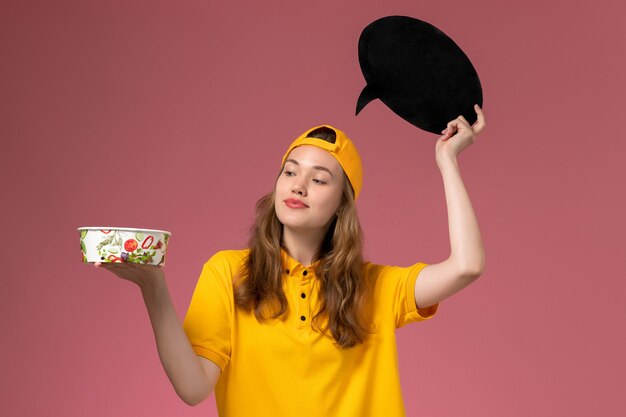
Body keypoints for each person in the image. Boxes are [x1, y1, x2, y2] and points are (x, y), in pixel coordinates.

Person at [94, 105, 486, 417]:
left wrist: (448, 160)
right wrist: (153, 287)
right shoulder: (228, 272)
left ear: (341, 205)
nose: (298, 184)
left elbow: (467, 265)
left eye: (319, 179)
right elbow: (193, 388)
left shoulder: (375, 287)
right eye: (290, 172)